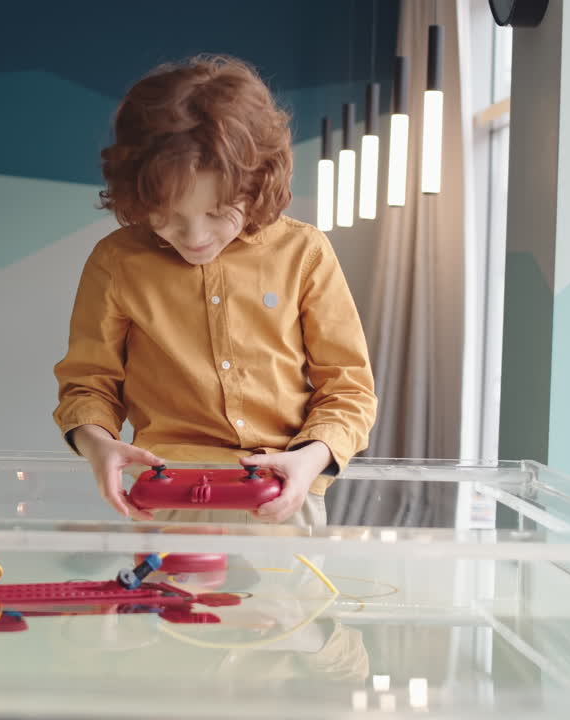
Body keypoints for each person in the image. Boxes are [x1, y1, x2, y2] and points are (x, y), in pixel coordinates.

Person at [52, 55, 377, 527]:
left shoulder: (304, 253)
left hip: (284, 490)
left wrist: (310, 460)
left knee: (280, 583)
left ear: (258, 184)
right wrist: (98, 444)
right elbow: (88, 385)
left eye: (218, 213)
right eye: (168, 216)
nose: (195, 236)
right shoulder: (117, 262)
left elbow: (348, 389)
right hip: (166, 493)